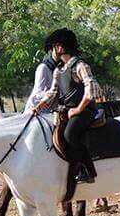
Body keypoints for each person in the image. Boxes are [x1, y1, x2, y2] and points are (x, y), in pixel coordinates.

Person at [33, 28, 102, 184]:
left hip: (84, 111)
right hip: (66, 111)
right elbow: (53, 92)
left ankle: (88, 171)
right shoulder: (59, 70)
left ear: (61, 47)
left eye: (54, 46)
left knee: (70, 134)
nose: (52, 50)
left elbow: (92, 88)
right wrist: (39, 105)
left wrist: (78, 109)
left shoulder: (80, 65)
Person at [23, 37, 60, 113]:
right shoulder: (43, 68)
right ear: (51, 50)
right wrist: (53, 94)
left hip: (49, 112)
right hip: (35, 111)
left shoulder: (60, 69)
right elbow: (38, 92)